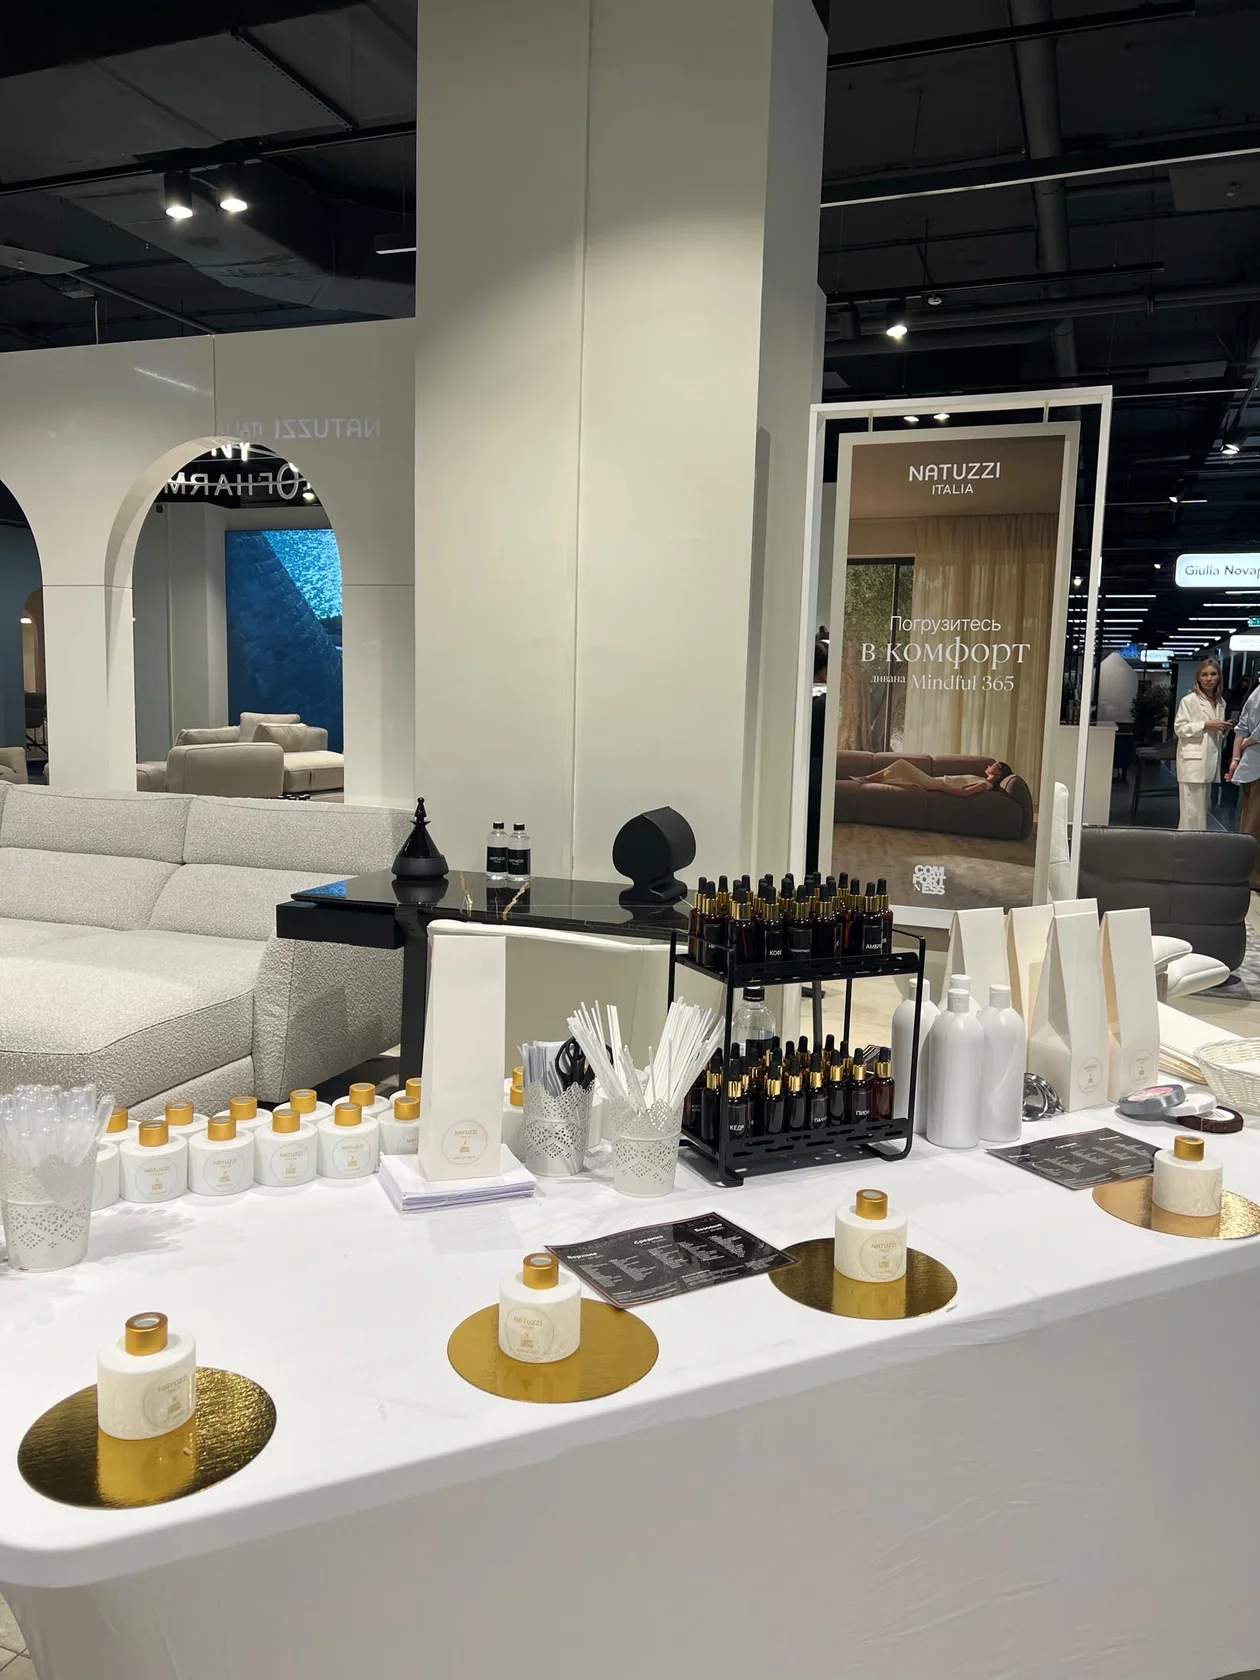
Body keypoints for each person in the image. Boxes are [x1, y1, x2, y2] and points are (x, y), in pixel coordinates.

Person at [1173, 659, 1226, 831]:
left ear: (1219, 677)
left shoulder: (1221, 702)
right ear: (1198, 678)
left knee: (1202, 809)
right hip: (1193, 762)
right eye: (1205, 675)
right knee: (1191, 813)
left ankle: (1199, 842)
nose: (1209, 679)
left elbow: (1215, 733)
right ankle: (1188, 844)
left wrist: (1222, 729)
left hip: (1209, 760)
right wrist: (1206, 724)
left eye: (1213, 674)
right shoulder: (1189, 701)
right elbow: (1180, 728)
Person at [1226, 674, 1260, 887]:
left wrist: (1236, 757)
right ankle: (1253, 877)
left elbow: (1242, 727)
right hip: (1255, 764)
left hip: (1250, 765)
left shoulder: (1255, 693)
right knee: (1254, 824)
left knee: (1250, 822)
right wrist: (1247, 744)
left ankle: (1248, 873)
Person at [850, 758, 1013, 799]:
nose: (990, 764)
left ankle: (867, 779)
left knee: (901, 764)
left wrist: (939, 787)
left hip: (935, 783)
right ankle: (870, 780)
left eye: (994, 764)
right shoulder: (982, 779)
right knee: (900, 777)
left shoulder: (984, 784)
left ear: (999, 773)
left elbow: (965, 793)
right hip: (935, 781)